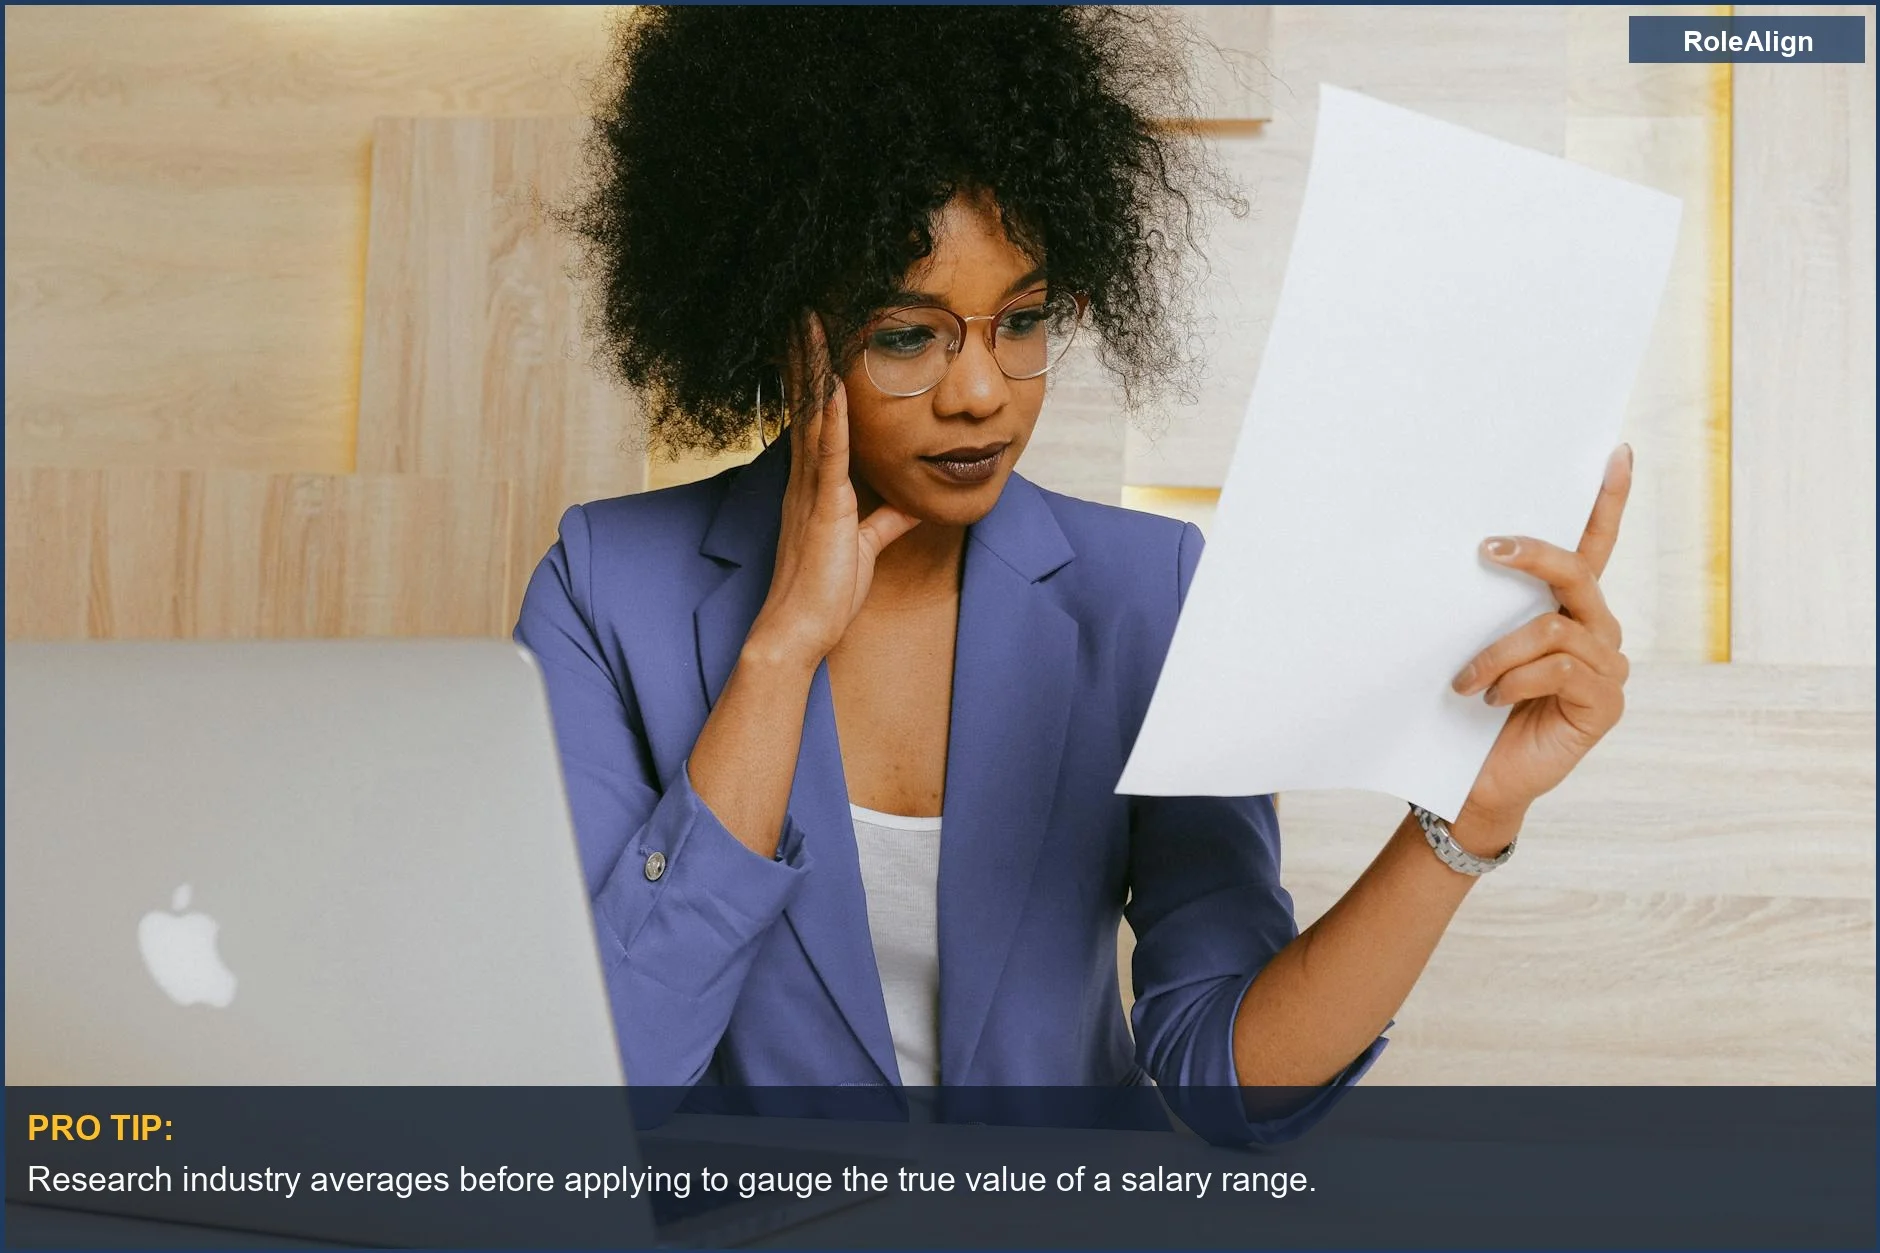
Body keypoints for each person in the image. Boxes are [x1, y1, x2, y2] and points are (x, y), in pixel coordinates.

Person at [515, 7, 1632, 1143]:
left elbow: (1224, 1078)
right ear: (777, 325)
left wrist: (1469, 808)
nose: (980, 391)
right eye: (907, 334)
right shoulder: (607, 591)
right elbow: (605, 1078)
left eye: (1023, 320)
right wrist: (780, 649)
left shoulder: (1145, 592)